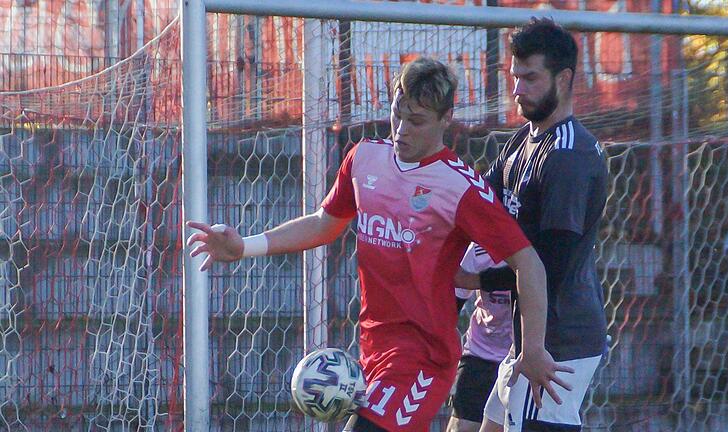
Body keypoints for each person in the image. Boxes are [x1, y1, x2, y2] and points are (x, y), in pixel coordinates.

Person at [186, 57, 571, 432]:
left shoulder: (461, 187)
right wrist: (243, 248)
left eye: (417, 121)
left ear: (445, 119)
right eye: (397, 114)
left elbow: (528, 262)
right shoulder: (366, 157)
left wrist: (532, 350)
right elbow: (324, 223)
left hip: (424, 356)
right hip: (373, 349)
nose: (402, 129)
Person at [456, 18, 610, 432]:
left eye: (530, 78)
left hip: (555, 344)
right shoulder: (523, 140)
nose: (517, 89)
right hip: (527, 339)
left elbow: (550, 266)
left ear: (563, 78)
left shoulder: (568, 156)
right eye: (514, 77)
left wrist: (474, 281)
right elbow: (477, 205)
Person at [447, 243, 516, 432]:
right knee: (462, 426)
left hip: (523, 359)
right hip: (480, 353)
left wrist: (479, 280)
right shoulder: (478, 249)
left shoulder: (540, 245)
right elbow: (451, 307)